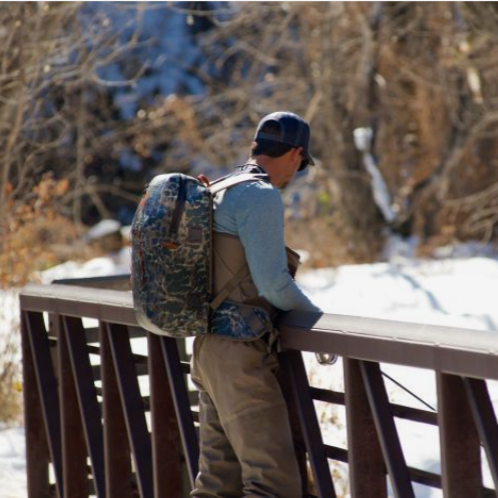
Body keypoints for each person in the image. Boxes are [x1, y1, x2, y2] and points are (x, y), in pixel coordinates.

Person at [190, 112, 322, 497]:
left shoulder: (219, 187)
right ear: (296, 154)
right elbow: (273, 283)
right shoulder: (260, 196)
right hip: (240, 358)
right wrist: (318, 321)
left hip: (206, 349)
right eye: (300, 165)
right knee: (273, 484)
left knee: (217, 484)